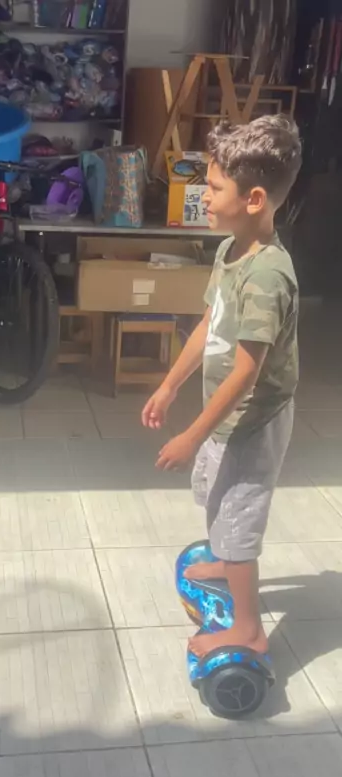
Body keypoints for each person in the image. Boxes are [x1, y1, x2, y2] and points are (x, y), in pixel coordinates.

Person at [142, 115, 302, 659]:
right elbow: (209, 325)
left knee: (237, 518)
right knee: (215, 494)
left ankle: (248, 629)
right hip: (225, 412)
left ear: (254, 199)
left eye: (212, 188)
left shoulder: (267, 277)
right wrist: (169, 385)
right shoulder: (230, 251)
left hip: (253, 420)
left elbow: (246, 372)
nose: (203, 197)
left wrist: (190, 436)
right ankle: (223, 559)